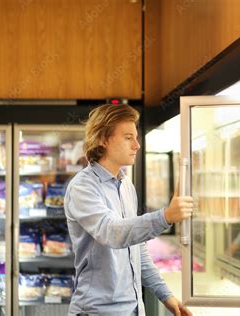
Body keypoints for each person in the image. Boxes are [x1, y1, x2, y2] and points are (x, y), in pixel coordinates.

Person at [64, 104, 193, 316]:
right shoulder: (83, 187)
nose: (137, 145)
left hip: (133, 309)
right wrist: (166, 216)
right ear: (103, 139)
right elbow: (111, 232)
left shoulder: (126, 185)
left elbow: (138, 249)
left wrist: (166, 296)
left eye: (136, 137)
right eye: (128, 137)